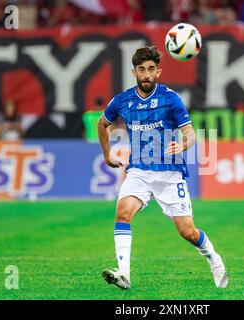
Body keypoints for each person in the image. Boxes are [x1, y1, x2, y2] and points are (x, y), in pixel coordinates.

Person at [97, 46, 228, 290]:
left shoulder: (170, 98)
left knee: (187, 232)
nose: (146, 74)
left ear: (158, 71)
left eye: (150, 69)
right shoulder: (122, 100)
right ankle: (124, 273)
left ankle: (213, 258)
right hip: (139, 171)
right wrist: (106, 154)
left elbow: (189, 132)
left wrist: (184, 144)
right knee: (123, 213)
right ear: (133, 72)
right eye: (141, 70)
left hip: (170, 173)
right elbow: (102, 124)